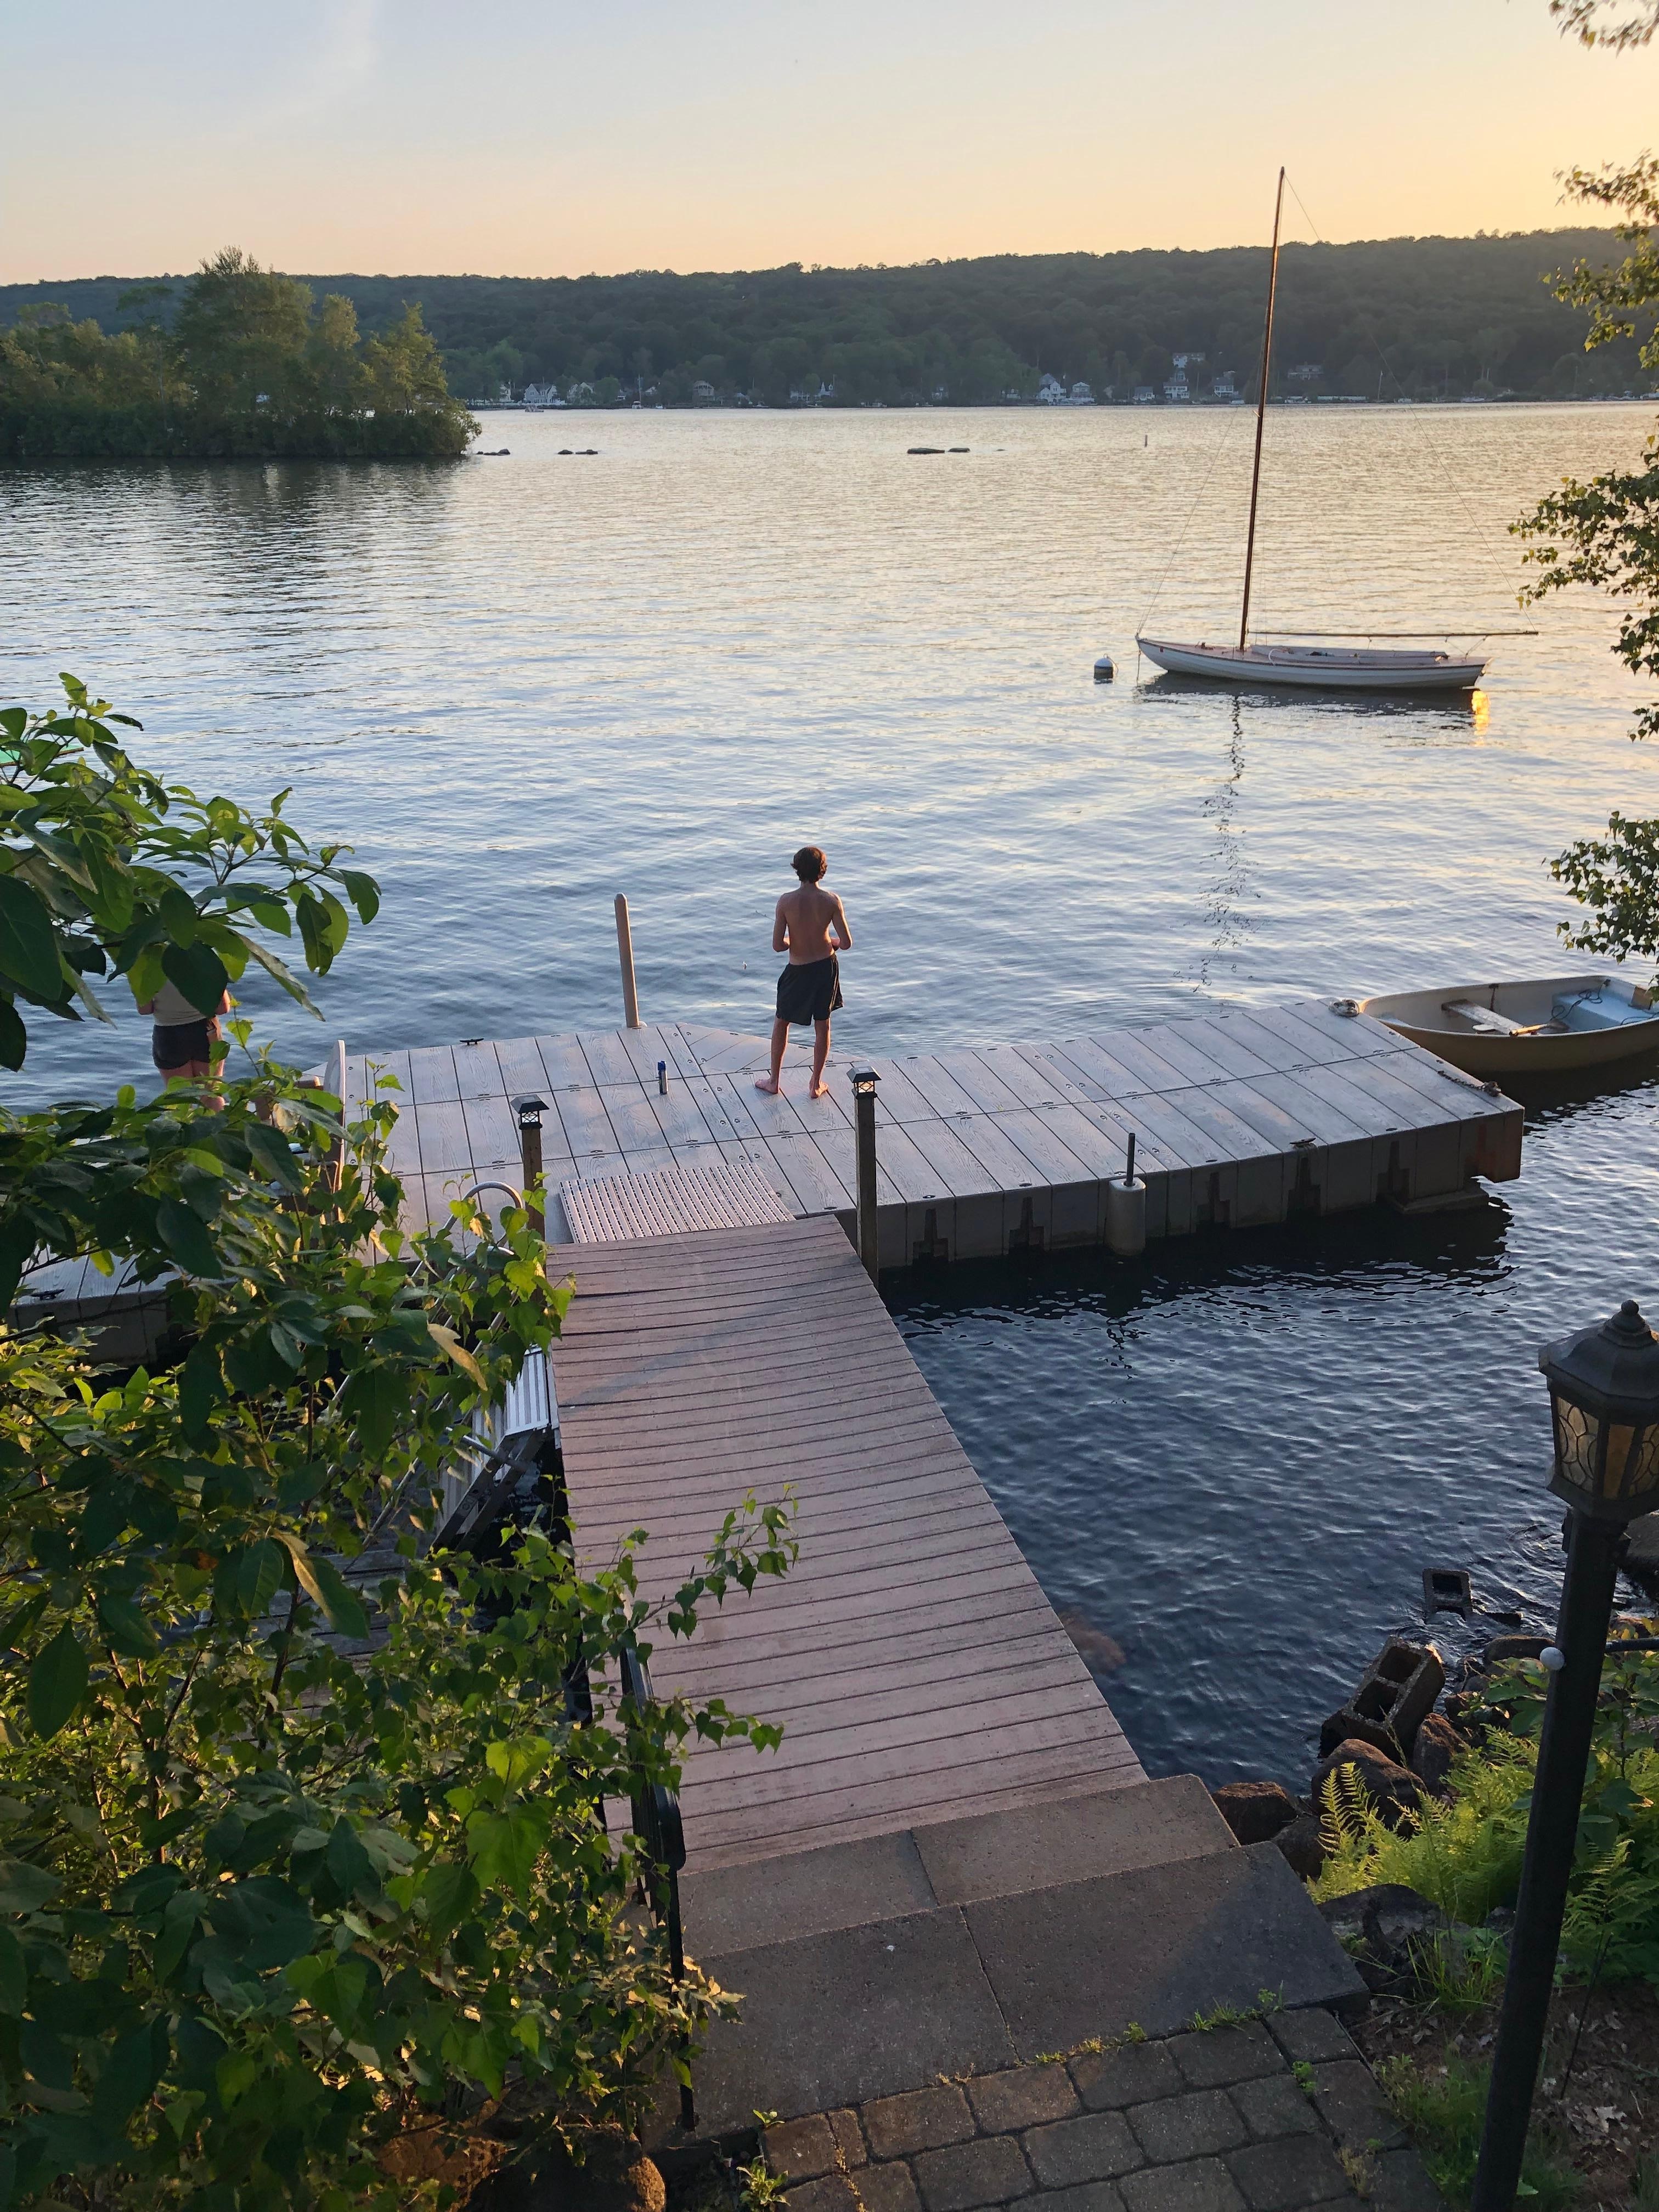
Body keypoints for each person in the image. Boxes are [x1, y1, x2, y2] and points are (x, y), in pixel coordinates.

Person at [757, 845, 851, 1099]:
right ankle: (815, 1084)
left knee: (782, 1022)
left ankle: (774, 1081)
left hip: (797, 970)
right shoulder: (832, 901)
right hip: (825, 968)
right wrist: (830, 942)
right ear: (822, 870)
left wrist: (793, 940)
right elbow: (846, 942)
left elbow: (778, 945)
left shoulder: (786, 901)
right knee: (823, 1025)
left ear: (797, 869)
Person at [140, 976, 231, 1097]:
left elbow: (145, 1009)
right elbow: (223, 1008)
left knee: (180, 1099)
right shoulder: (206, 964)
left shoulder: (147, 967)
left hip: (169, 1035)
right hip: (207, 1031)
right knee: (211, 1094)